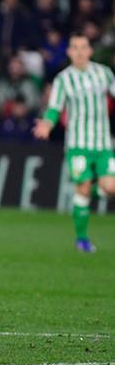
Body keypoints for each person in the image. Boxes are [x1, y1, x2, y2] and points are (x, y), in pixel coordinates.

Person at [33, 33, 115, 253]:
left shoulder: (104, 74)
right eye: (75, 48)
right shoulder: (63, 79)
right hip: (78, 144)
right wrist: (47, 125)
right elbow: (54, 108)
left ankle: (88, 195)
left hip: (103, 144)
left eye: (83, 47)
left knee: (110, 187)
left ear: (90, 51)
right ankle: (82, 239)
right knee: (83, 186)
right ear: (69, 52)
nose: (79, 52)